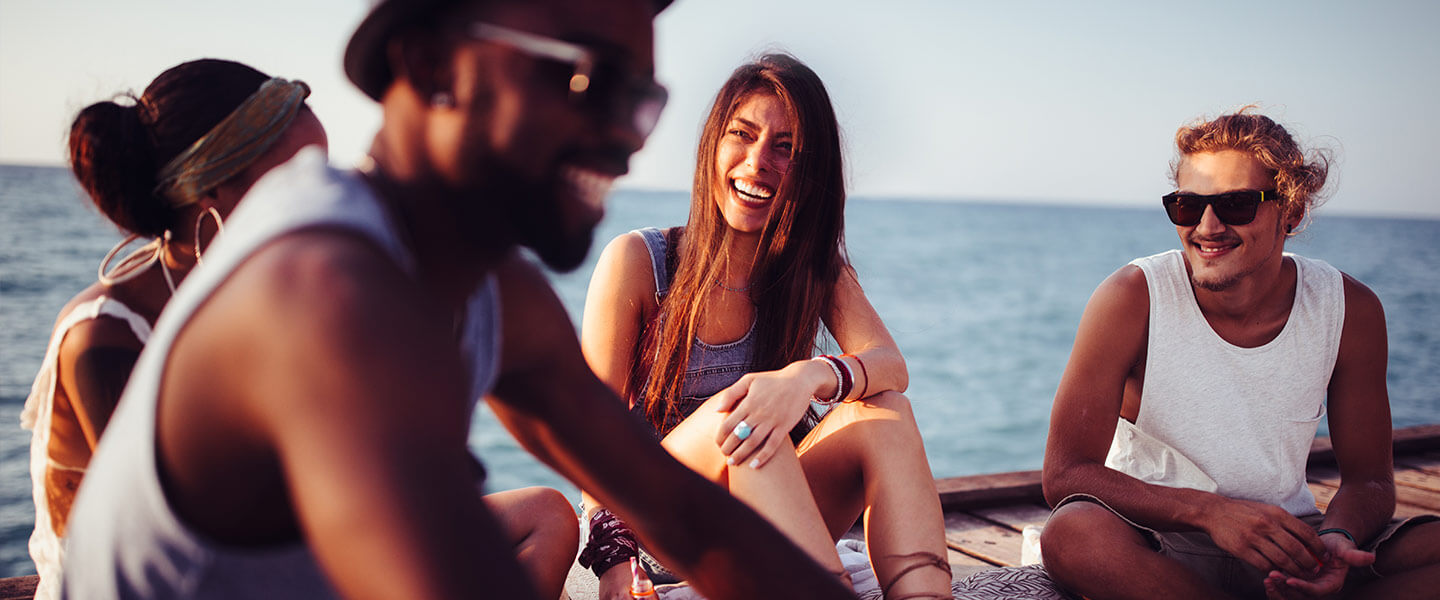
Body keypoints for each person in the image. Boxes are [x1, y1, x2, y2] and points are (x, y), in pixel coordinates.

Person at [61, 1, 855, 599]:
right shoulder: (322, 296)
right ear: (435, 64)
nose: (629, 136)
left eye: (641, 98)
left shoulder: (485, 288)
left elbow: (684, 517)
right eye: (590, 81)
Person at [579, 53, 952, 599]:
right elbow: (589, 440)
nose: (757, 164)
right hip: (666, 532)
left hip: (776, 514)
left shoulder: (813, 268)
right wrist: (614, 562)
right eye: (744, 135)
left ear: (810, 170)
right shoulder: (640, 262)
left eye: (785, 149)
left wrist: (801, 379)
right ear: (714, 144)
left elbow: (890, 367)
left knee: (885, 411)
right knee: (745, 416)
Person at [1039, 108, 1440, 599]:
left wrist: (1338, 539)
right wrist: (1209, 513)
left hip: (1289, 543)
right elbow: (1066, 475)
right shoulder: (1132, 296)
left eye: (1236, 204)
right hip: (1158, 543)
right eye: (1187, 205)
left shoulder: (1348, 308)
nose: (1207, 227)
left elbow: (1371, 483)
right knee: (1073, 534)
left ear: (1291, 212)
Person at [19, 58, 327, 600]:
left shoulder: (255, 296)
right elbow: (193, 531)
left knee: (533, 513)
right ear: (213, 201)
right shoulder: (106, 339)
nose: (329, 195)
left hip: (266, 564)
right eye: (301, 177)